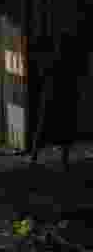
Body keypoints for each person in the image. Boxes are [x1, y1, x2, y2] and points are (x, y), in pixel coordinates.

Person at [31, 33, 82, 169]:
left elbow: (42, 75)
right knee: (64, 129)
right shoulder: (70, 63)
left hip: (52, 97)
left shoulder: (53, 60)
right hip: (62, 98)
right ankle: (63, 160)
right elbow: (75, 82)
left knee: (44, 129)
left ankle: (34, 157)